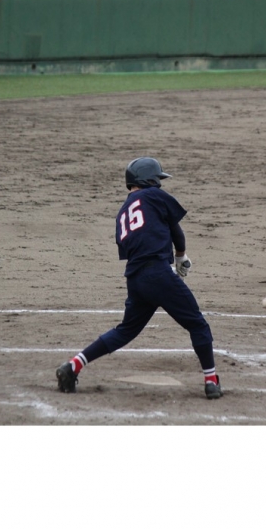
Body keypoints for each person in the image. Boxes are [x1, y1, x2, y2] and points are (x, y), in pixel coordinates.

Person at [56, 157, 223, 399]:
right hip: (158, 274)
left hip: (135, 278)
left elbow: (131, 246)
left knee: (125, 330)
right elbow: (175, 229)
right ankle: (211, 381)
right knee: (198, 324)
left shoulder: (123, 212)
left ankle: (73, 366)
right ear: (149, 180)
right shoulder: (154, 196)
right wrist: (180, 256)